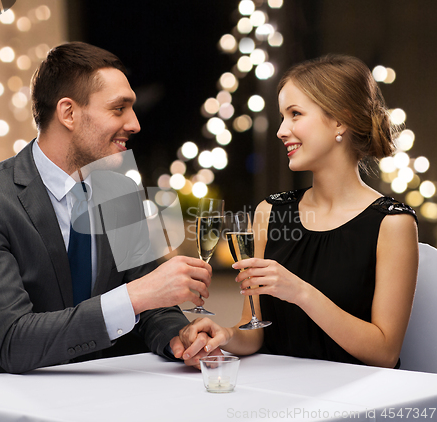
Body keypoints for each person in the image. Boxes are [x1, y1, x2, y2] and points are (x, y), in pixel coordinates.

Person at [0, 42, 213, 381]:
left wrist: (178, 337)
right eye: (119, 109)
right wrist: (134, 296)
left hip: (93, 392)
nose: (135, 124)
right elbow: (14, 342)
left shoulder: (120, 192)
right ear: (68, 113)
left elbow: (152, 306)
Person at [171, 54, 419, 368]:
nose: (281, 130)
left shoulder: (392, 223)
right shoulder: (270, 212)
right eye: (282, 116)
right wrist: (225, 335)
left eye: (295, 114)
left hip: (356, 402)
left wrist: (299, 291)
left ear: (340, 120)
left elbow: (384, 353)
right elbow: (255, 331)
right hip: (277, 394)